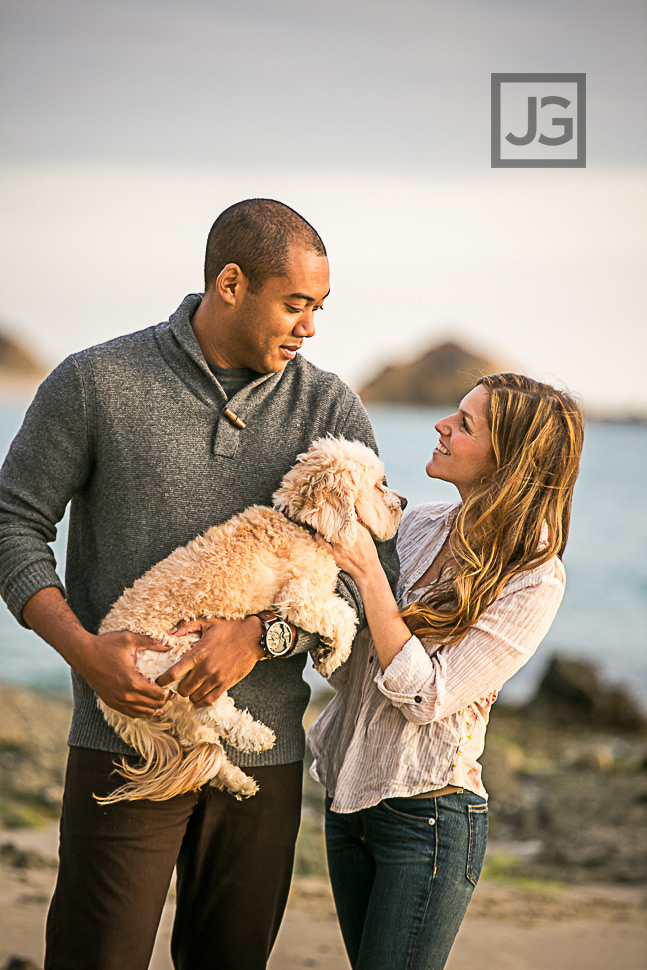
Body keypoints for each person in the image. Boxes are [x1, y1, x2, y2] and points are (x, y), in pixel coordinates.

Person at [0, 198, 397, 970]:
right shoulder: (95, 383)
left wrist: (261, 636)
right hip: (125, 732)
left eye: (319, 307)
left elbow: (363, 579)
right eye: (295, 304)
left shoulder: (326, 405)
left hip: (264, 756)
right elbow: (12, 522)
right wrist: (83, 651)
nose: (309, 326)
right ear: (230, 283)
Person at [309, 373, 584, 970]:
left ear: (507, 458)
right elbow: (350, 657)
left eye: (465, 424)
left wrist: (369, 575)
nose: (443, 426)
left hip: (429, 820)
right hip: (347, 797)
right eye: (452, 414)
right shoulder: (419, 523)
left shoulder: (534, 576)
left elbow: (429, 696)